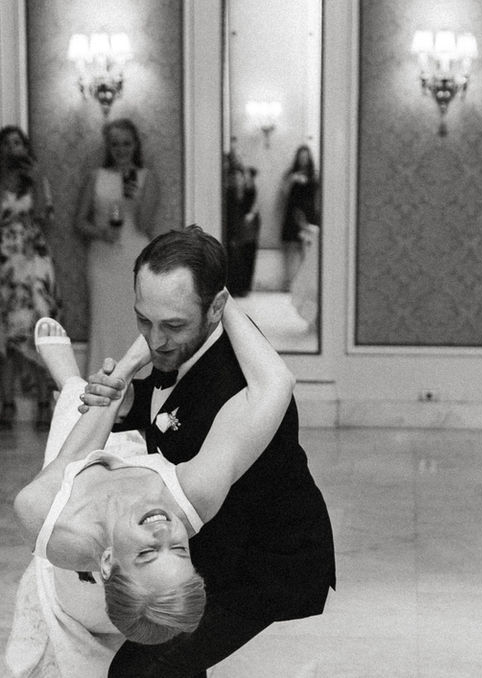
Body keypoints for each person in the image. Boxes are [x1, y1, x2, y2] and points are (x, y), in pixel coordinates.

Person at [82, 226, 335, 676]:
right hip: (212, 543)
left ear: (217, 308)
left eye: (173, 325)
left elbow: (184, 451)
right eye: (145, 320)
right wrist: (123, 399)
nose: (155, 340)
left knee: (143, 670)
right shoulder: (183, 344)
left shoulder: (240, 384)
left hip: (261, 565)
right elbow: (162, 419)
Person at [7, 291, 293, 675]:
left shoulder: (43, 512)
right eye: (179, 550)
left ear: (106, 561)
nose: (163, 531)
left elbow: (73, 453)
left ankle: (66, 378)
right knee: (120, 436)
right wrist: (219, 299)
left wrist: (122, 372)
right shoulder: (195, 496)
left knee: (68, 441)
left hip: (79, 599)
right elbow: (275, 384)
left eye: (147, 553)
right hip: (135, 576)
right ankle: (72, 383)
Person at [0, 125, 59, 431]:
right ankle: (7, 404)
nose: (13, 149)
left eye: (18, 143)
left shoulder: (37, 181)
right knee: (6, 335)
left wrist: (35, 183)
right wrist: (4, 185)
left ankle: (43, 403)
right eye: (7, 144)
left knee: (39, 333)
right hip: (2, 266)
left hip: (35, 263)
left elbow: (44, 217)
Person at [74, 118, 162, 372]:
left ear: (135, 145)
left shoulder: (147, 177)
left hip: (135, 256)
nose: (121, 149)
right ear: (108, 147)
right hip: (102, 259)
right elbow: (79, 222)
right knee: (104, 322)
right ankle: (103, 387)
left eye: (126, 143)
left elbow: (145, 225)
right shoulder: (96, 177)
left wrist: (131, 199)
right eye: (115, 144)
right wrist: (100, 232)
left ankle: (139, 388)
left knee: (135, 319)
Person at [279, 144, 319, 284]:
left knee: (307, 249)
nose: (303, 159)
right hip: (292, 212)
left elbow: (318, 195)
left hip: (308, 213)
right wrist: (292, 179)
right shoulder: (290, 173)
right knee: (290, 248)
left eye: (306, 157)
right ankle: (289, 281)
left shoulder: (314, 174)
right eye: (301, 157)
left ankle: (305, 283)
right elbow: (283, 194)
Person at [222, 152, 258, 298]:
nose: (237, 180)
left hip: (243, 224)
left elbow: (252, 203)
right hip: (234, 222)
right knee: (235, 253)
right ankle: (236, 287)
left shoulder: (246, 187)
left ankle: (241, 287)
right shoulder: (230, 189)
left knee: (243, 254)